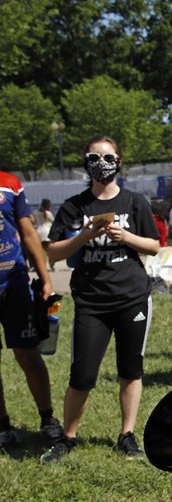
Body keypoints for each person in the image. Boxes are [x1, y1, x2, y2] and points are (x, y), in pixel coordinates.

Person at [42, 137, 161, 462]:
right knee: (82, 375)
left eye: (108, 156)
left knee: (130, 370)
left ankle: (127, 434)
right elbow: (53, 253)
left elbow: (153, 245)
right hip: (91, 302)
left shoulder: (134, 202)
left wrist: (126, 237)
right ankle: (68, 437)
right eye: (94, 156)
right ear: (86, 162)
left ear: (119, 161)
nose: (101, 161)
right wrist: (84, 235)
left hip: (131, 297)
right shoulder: (73, 206)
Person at [0, 172, 64, 453]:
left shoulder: (9, 184)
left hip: (14, 286)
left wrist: (45, 277)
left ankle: (48, 419)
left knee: (28, 354)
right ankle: (3, 427)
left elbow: (28, 232)